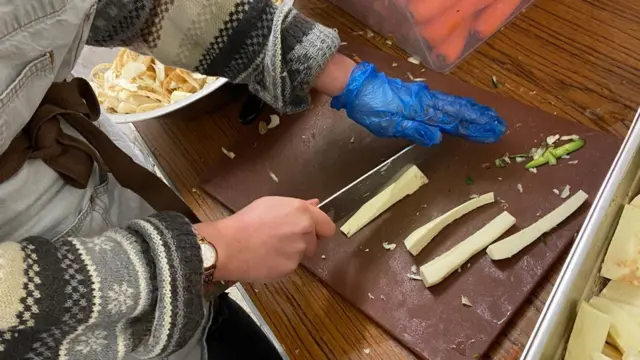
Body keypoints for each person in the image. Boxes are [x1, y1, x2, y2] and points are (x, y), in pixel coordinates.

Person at [0, 0, 506, 359]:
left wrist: (324, 67)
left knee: (208, 330)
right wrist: (202, 255)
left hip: (100, 205)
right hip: (41, 304)